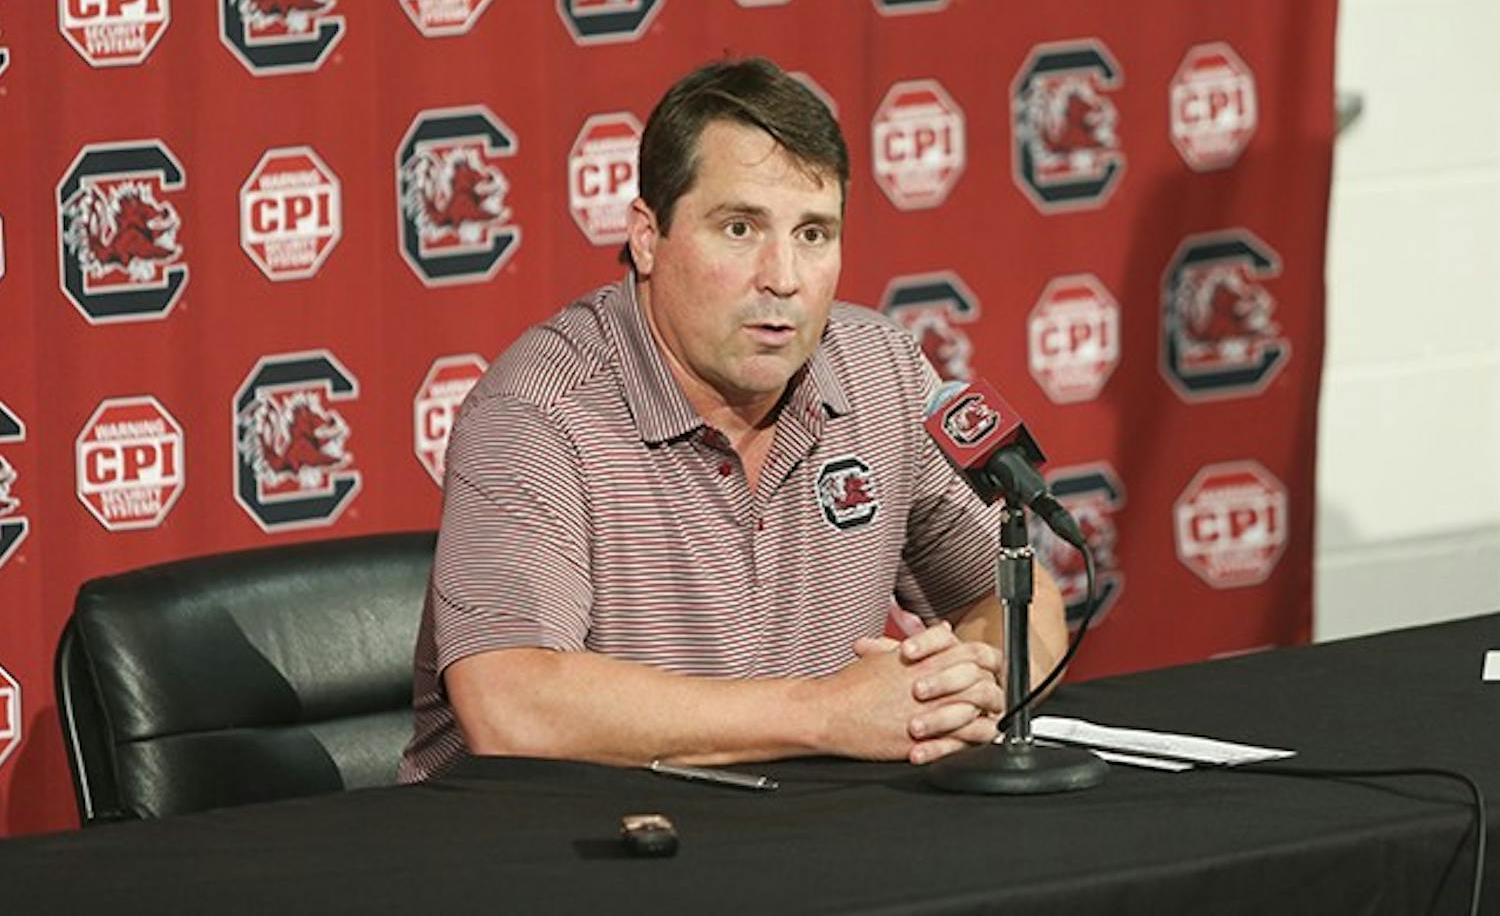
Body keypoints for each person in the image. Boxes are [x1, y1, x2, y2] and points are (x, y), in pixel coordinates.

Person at [398, 57, 1066, 782]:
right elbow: (511, 703)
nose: (782, 276)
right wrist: (825, 714)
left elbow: (1014, 606)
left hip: (793, 842)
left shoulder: (882, 373)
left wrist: (958, 693)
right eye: (741, 227)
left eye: (813, 233)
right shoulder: (539, 411)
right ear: (648, 237)